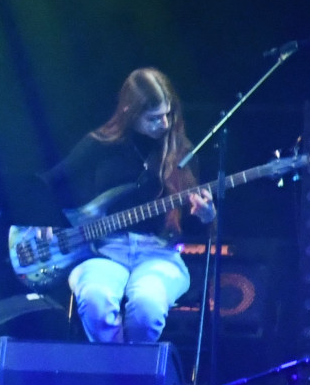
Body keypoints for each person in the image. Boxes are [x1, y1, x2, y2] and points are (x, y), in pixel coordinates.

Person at [49, 67, 208, 344]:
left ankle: (130, 366)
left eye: (168, 115)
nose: (164, 124)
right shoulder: (99, 145)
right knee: (95, 301)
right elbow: (51, 184)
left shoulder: (181, 152)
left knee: (147, 307)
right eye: (153, 118)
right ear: (129, 112)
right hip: (103, 250)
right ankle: (119, 367)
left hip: (159, 253)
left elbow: (192, 227)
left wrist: (205, 216)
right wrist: (47, 221)